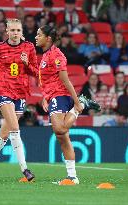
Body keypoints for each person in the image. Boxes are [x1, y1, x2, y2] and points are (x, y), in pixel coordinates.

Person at [35, 25, 101, 185]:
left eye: (39, 35)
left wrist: (77, 103)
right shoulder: (45, 55)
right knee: (62, 137)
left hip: (61, 95)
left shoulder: (57, 55)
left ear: (48, 39)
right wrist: (45, 97)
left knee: (60, 129)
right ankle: (72, 176)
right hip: (53, 96)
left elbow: (66, 81)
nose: (36, 37)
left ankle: (82, 104)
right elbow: (47, 80)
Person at [0, 19, 37, 182]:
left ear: (22, 32)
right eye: (13, 30)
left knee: (4, 133)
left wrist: (27, 63)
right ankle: (25, 169)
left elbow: (36, 72)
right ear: (7, 32)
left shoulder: (29, 47)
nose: (16, 33)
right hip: (3, 91)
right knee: (15, 128)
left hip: (20, 93)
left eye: (18, 30)